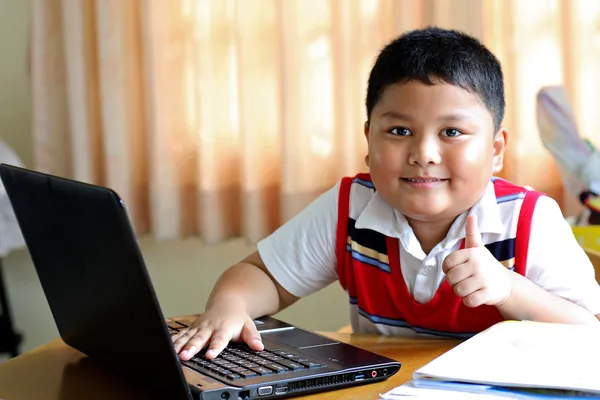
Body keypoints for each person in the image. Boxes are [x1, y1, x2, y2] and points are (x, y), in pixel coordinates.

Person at [172, 26, 600, 362]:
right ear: (368, 140)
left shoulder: (529, 219)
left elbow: (590, 333)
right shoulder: (350, 207)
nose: (423, 154)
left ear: (495, 150)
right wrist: (228, 305)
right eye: (399, 131)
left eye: (452, 132)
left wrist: (509, 290)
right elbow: (263, 275)